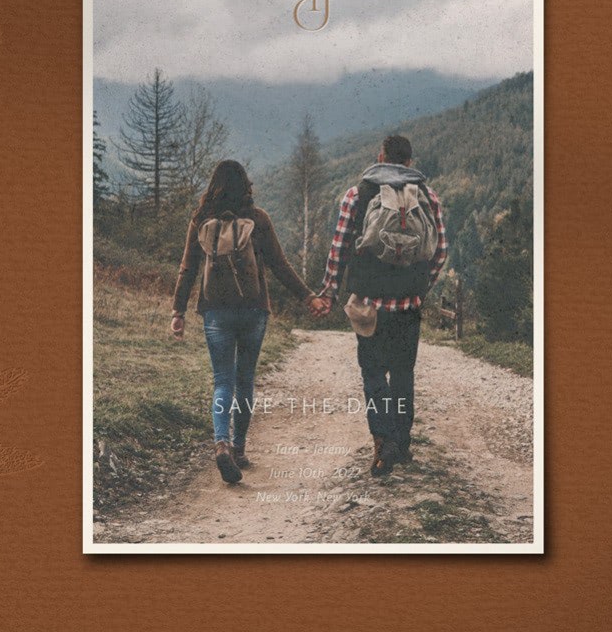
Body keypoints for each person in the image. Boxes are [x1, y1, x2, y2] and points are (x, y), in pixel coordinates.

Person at [170, 160, 326, 484]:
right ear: (246, 186)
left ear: (214, 186)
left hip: (215, 311)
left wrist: (178, 311)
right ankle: (239, 448)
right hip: (254, 310)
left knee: (222, 381)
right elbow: (280, 265)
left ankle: (221, 444)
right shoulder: (258, 219)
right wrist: (308, 296)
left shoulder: (201, 220)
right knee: (245, 380)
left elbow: (187, 267)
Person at [313, 136, 447, 477]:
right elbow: (440, 251)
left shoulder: (358, 194)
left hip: (368, 304)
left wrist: (329, 290)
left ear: (380, 157)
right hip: (408, 304)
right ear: (409, 160)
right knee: (403, 373)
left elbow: (340, 247)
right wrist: (421, 289)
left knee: (373, 372)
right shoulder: (427, 195)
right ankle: (401, 443)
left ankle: (382, 439)